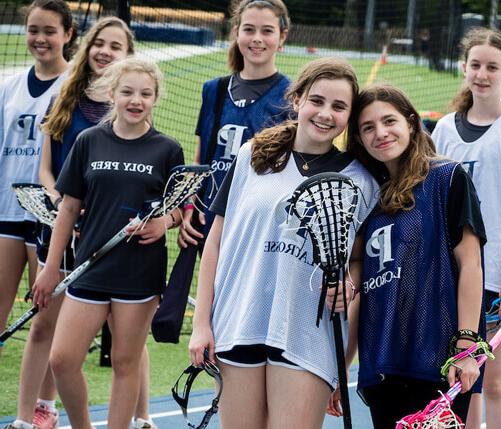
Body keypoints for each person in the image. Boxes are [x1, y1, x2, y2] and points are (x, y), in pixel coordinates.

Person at [188, 57, 378, 429]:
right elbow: (216, 243)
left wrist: (349, 286)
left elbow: (357, 260)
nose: (326, 113)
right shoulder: (253, 156)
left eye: (339, 107)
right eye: (317, 100)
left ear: (350, 116)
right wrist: (201, 324)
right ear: (297, 100)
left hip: (308, 334)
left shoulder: (362, 180)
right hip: (239, 321)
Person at [32, 57, 184, 429]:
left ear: (155, 98)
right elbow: (68, 208)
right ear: (112, 94)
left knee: (124, 362)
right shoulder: (88, 141)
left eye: (145, 94)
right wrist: (51, 268)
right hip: (90, 268)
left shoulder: (167, 149)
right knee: (62, 359)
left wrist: (163, 222)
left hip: (139, 274)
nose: (136, 100)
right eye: (128, 92)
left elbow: (181, 210)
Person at [326, 83, 486, 427]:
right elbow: (361, 281)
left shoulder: (447, 178)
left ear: (411, 123)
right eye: (368, 128)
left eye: (389, 121)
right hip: (382, 364)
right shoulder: (368, 196)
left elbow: (471, 265)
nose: (380, 133)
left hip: (437, 361)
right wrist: (343, 366)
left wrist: (467, 347)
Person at [432, 27, 501, 429]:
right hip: (451, 273)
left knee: (494, 381)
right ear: (464, 68)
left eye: (491, 67)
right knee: (461, 380)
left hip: (497, 275)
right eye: (475, 65)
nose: (482, 73)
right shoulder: (443, 129)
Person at [178, 0, 291, 248]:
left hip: (257, 223)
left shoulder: (292, 97)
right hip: (207, 217)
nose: (257, 38)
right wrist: (189, 206)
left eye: (267, 31)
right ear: (236, 32)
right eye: (249, 29)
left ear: (282, 37)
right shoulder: (214, 90)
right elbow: (202, 160)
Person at [0, 0, 74, 357]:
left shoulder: (75, 87)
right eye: (34, 30)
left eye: (50, 31)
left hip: (50, 217)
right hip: (6, 212)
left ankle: (43, 409)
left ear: (68, 34)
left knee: (44, 320)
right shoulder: (8, 88)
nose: (40, 38)